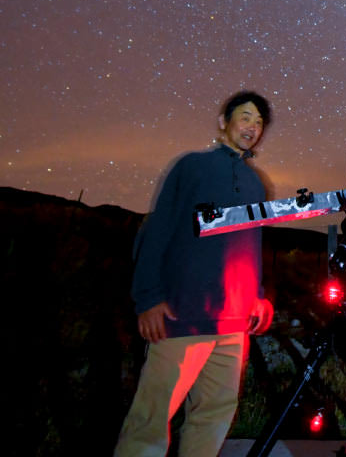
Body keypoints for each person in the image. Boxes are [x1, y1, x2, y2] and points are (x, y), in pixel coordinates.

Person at [114, 91, 276, 457]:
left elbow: (251, 243)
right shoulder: (191, 166)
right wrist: (149, 298)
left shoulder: (256, 183)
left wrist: (259, 294)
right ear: (224, 121)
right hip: (183, 316)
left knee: (213, 417)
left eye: (259, 122)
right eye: (246, 117)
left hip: (234, 324)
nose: (252, 127)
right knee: (151, 420)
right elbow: (157, 231)